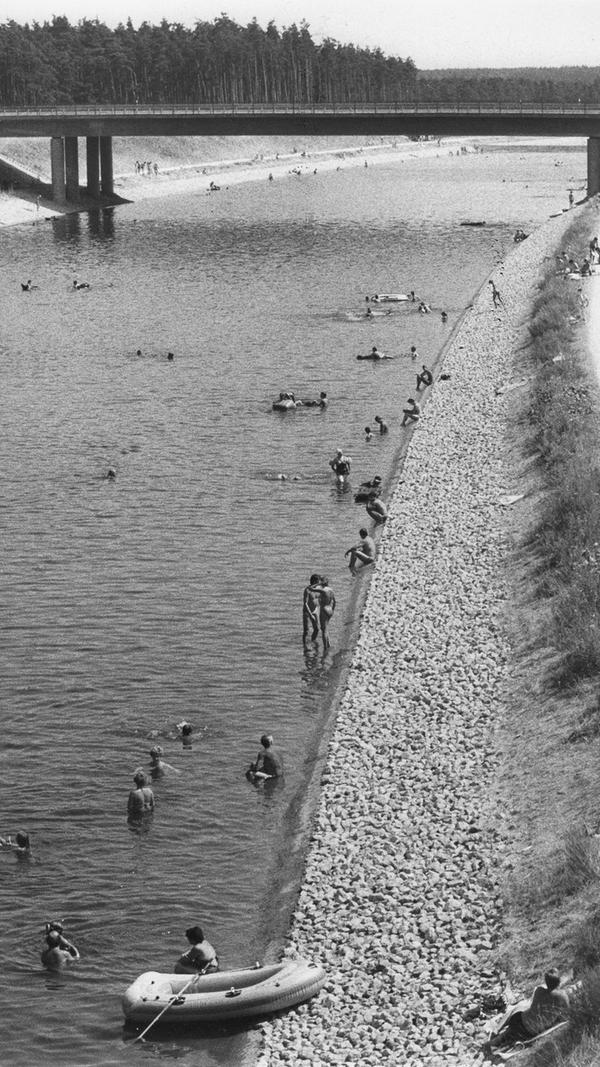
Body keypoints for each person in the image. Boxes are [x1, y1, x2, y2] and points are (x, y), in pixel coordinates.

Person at [488, 969, 569, 1049]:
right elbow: (567, 1012)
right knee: (512, 1028)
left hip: (520, 1023)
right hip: (533, 1032)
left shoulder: (539, 990)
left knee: (518, 1009)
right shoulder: (563, 996)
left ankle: (497, 1030)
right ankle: (499, 1039)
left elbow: (536, 1003)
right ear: (559, 981)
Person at [303, 574, 322, 642]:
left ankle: (312, 642)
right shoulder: (307, 590)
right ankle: (305, 646)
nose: (319, 583)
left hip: (315, 610)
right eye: (318, 581)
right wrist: (310, 615)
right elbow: (305, 603)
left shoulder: (318, 589)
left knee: (317, 629)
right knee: (306, 631)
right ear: (314, 581)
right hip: (307, 612)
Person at [318, 577, 336, 649]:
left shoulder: (323, 590)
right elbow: (334, 602)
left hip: (324, 609)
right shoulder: (331, 590)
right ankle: (328, 644)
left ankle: (325, 648)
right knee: (326, 628)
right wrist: (333, 610)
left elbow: (311, 589)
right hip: (330, 609)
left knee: (324, 630)